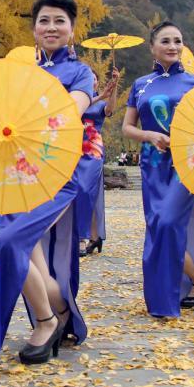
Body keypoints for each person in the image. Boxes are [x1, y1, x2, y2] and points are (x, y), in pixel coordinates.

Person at [0, 0, 93, 365]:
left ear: (72, 30)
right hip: (15, 171)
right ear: (33, 29)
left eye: (60, 21)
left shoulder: (80, 72)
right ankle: (60, 306)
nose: (51, 27)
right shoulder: (21, 73)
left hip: (58, 172)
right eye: (44, 20)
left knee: (11, 240)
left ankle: (46, 321)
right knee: (21, 245)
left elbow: (69, 113)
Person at [122, 21, 194, 316]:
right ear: (152, 47)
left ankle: (176, 292)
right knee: (157, 226)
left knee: (166, 222)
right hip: (153, 164)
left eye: (178, 40)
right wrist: (149, 135)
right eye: (166, 41)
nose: (173, 46)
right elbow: (127, 128)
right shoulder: (141, 84)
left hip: (186, 164)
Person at [76, 71, 119, 257]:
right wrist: (101, 95)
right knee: (76, 192)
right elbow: (72, 110)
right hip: (72, 149)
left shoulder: (100, 103)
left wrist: (114, 87)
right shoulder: (75, 99)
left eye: (94, 79)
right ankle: (94, 235)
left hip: (92, 150)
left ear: (97, 83)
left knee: (85, 189)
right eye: (88, 79)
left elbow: (110, 109)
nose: (91, 81)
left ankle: (82, 238)